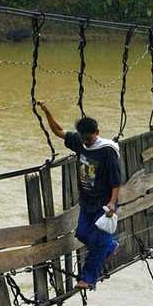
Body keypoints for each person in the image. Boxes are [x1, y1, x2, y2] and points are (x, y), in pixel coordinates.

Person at [38, 101, 121, 289]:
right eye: (84, 139)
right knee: (83, 234)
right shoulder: (81, 143)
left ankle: (88, 279)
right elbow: (59, 131)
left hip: (104, 204)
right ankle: (110, 247)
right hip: (87, 202)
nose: (86, 142)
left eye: (89, 139)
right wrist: (47, 112)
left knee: (97, 242)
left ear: (97, 133)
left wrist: (112, 203)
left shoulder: (107, 151)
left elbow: (116, 181)